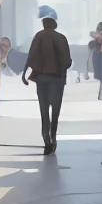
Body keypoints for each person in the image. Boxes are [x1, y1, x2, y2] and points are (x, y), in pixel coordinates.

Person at [22, 14, 72, 154]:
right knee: (55, 111)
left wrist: (24, 74)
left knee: (44, 111)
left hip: (42, 79)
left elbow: (31, 56)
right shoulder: (61, 38)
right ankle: (53, 138)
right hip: (57, 80)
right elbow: (67, 61)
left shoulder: (39, 36)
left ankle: (46, 142)